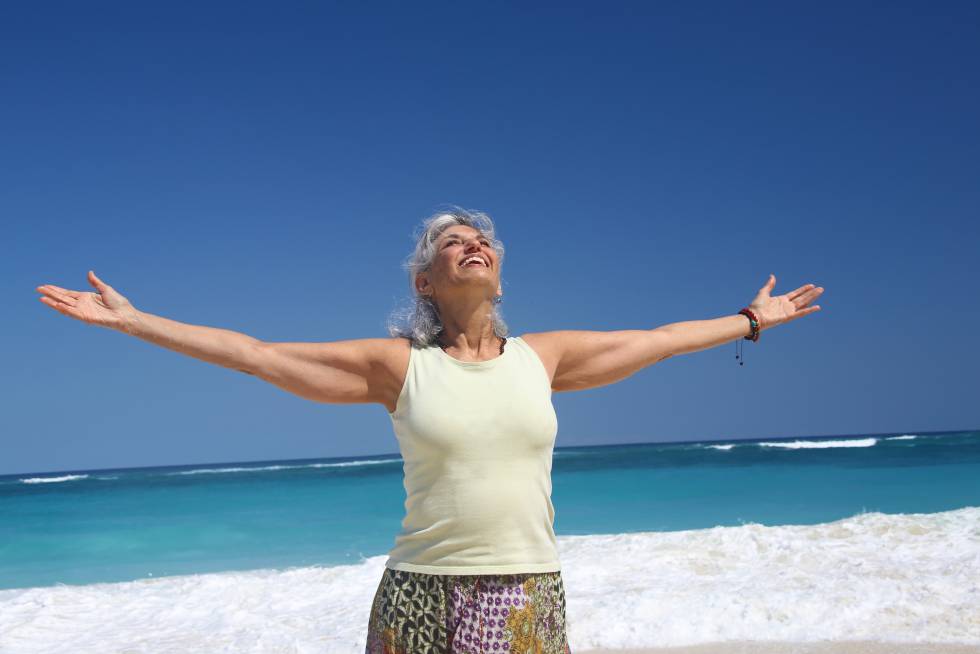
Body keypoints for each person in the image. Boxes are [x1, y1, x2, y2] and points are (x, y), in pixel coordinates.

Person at [35, 207, 824, 653]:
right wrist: (136, 324)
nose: (475, 244)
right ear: (425, 280)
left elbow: (655, 340)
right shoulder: (398, 366)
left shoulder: (543, 359)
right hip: (419, 593)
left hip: (525, 587)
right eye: (456, 241)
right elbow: (258, 356)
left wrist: (752, 319)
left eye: (484, 240)